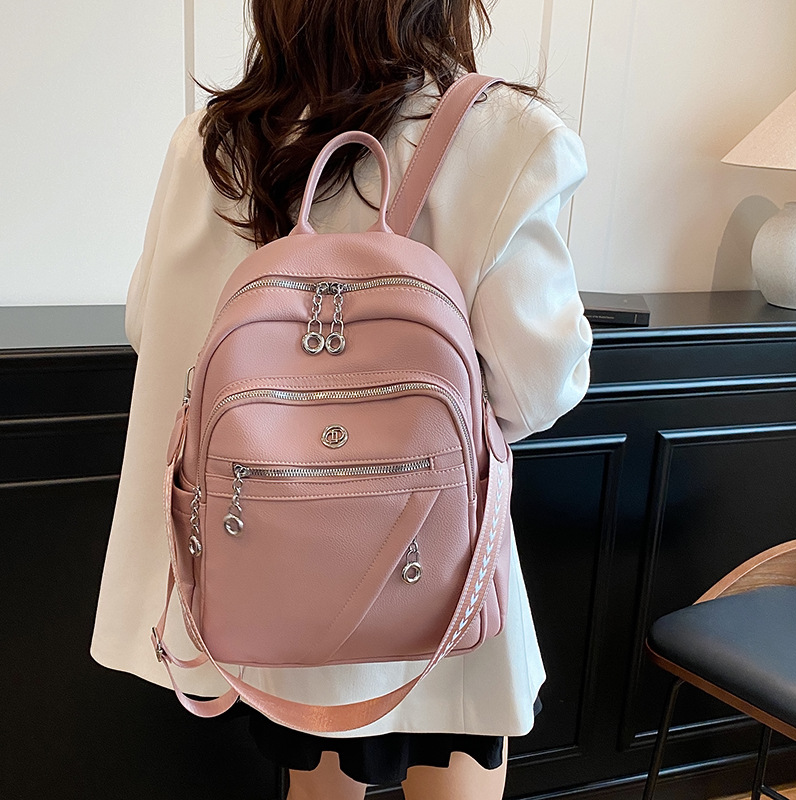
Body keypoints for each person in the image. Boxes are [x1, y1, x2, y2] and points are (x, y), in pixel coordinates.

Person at [91, 1, 593, 797]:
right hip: (431, 564)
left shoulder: (210, 143)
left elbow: (152, 330)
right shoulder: (503, 135)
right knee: (456, 759)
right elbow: (538, 387)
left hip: (266, 570)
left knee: (317, 778)